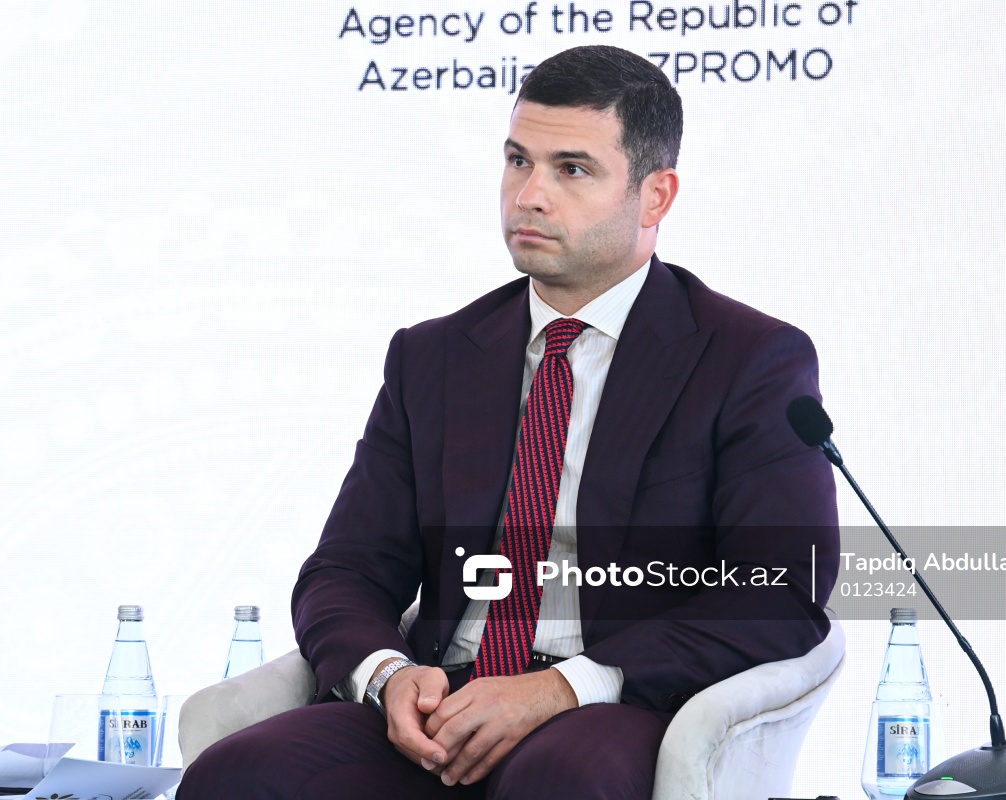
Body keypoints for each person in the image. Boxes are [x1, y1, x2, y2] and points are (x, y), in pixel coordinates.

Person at [178, 44, 839, 800]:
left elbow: (782, 589)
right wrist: (389, 676)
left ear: (655, 196)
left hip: (611, 699)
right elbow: (346, 570)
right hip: (444, 697)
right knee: (239, 774)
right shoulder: (432, 357)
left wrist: (561, 688)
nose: (529, 195)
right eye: (518, 160)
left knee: (557, 779)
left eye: (572, 169)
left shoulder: (747, 359)